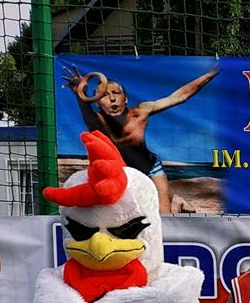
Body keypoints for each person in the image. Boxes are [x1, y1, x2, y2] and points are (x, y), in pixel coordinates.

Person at [63, 64, 219, 214]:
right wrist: (79, 91)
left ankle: (174, 201)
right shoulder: (96, 121)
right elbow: (83, 102)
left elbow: (179, 96)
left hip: (151, 169)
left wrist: (208, 75)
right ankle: (175, 200)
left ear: (125, 99)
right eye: (104, 95)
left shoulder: (141, 112)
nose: (112, 98)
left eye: (116, 93)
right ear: (96, 102)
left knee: (163, 217)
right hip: (122, 175)